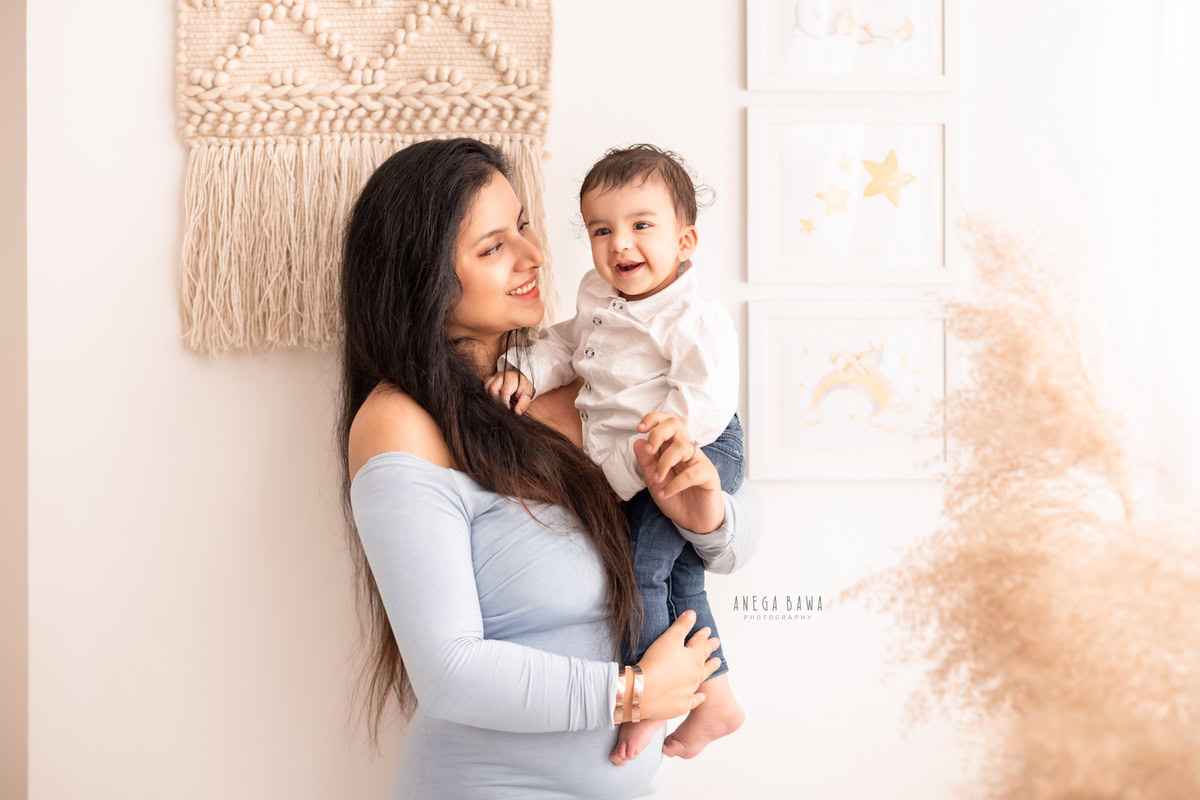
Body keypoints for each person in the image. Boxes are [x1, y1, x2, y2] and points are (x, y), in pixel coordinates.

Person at [336, 136, 761, 800]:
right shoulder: (402, 423)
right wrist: (635, 694)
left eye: (525, 226)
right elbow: (449, 672)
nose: (534, 256)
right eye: (492, 246)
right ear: (425, 280)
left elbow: (736, 546)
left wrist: (708, 518)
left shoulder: (587, 383)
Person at [483, 144, 745, 765]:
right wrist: (523, 370)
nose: (620, 244)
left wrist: (650, 461)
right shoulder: (599, 298)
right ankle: (718, 697)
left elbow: (706, 401)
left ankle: (652, 702)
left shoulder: (690, 317)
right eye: (602, 230)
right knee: (681, 576)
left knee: (640, 568)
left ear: (686, 241)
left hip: (691, 451)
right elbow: (567, 346)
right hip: (647, 464)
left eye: (641, 226)